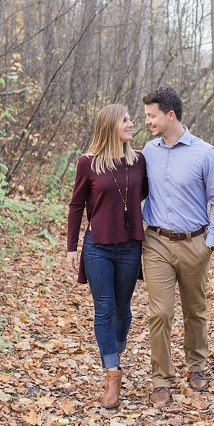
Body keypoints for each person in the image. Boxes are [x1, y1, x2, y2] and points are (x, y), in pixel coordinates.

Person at [140, 87, 214, 407]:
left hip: (195, 243)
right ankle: (161, 378)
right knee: (160, 313)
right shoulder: (147, 152)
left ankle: (197, 366)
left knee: (195, 310)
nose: (147, 121)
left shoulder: (206, 153)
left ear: (170, 115)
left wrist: (210, 243)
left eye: (152, 115)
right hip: (157, 243)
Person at [66, 104, 147, 409]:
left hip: (129, 247)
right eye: (125, 120)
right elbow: (76, 206)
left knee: (122, 310)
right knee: (104, 308)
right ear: (111, 126)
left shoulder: (139, 161)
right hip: (97, 247)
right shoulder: (87, 163)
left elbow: (154, 195)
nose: (131, 123)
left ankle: (115, 350)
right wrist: (71, 248)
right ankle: (113, 373)